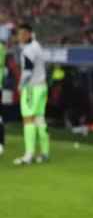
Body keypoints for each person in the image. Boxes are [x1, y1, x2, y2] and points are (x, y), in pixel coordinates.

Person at [13, 23, 49, 165]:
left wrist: (21, 85)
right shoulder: (37, 46)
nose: (20, 37)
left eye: (22, 34)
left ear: (28, 34)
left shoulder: (28, 50)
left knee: (28, 119)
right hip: (42, 87)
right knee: (39, 119)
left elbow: (28, 71)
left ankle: (29, 155)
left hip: (32, 88)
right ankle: (45, 153)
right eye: (19, 34)